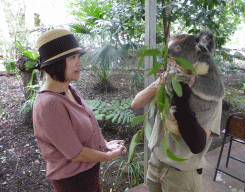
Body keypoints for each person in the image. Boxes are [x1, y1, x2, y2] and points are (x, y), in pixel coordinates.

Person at [33, 28, 127, 192]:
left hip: (88, 174)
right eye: (72, 57)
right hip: (72, 182)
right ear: (56, 63)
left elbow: (81, 132)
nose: (79, 62)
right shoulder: (49, 104)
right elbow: (76, 153)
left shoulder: (69, 89)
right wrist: (108, 156)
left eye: (78, 57)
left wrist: (104, 145)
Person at [131, 71, 223, 192]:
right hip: (155, 163)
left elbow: (197, 144)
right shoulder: (171, 78)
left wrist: (181, 101)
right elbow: (136, 104)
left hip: (181, 175)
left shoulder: (210, 91)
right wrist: (160, 82)